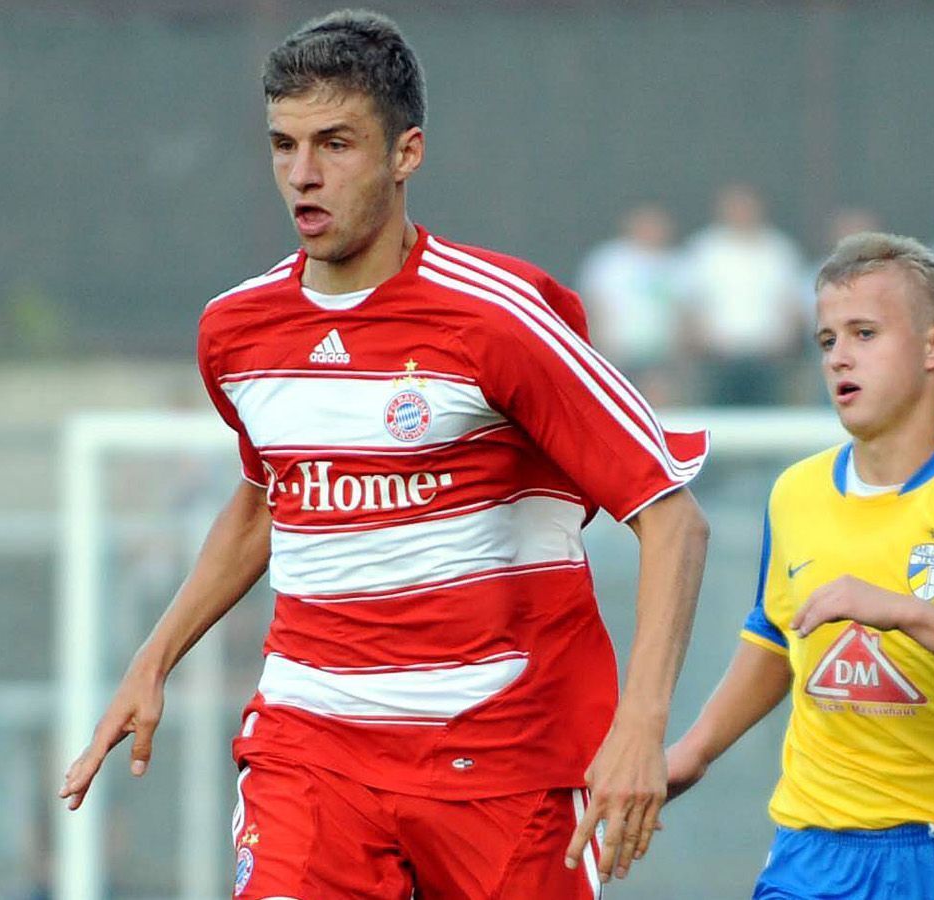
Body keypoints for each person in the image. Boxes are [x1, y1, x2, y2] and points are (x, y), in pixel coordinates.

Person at [59, 10, 711, 900]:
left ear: (407, 153)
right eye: (283, 146)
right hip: (311, 745)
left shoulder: (501, 318)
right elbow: (263, 501)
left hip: (504, 756)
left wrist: (641, 722)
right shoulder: (235, 331)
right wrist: (154, 659)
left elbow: (672, 518)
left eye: (335, 144)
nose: (303, 175)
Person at [664, 232, 934, 899]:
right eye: (827, 340)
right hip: (816, 856)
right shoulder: (795, 493)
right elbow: (777, 635)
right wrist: (688, 756)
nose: (840, 357)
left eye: (865, 333)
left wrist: (905, 612)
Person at [679, 183, 805, 406]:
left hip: (767, 358)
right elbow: (690, 306)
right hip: (718, 358)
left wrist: (785, 346)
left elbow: (792, 305)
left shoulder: (778, 249)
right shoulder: (705, 249)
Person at [577, 203, 684, 404]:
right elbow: (594, 307)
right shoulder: (609, 261)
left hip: (660, 358)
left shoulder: (676, 264)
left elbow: (684, 314)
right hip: (619, 354)